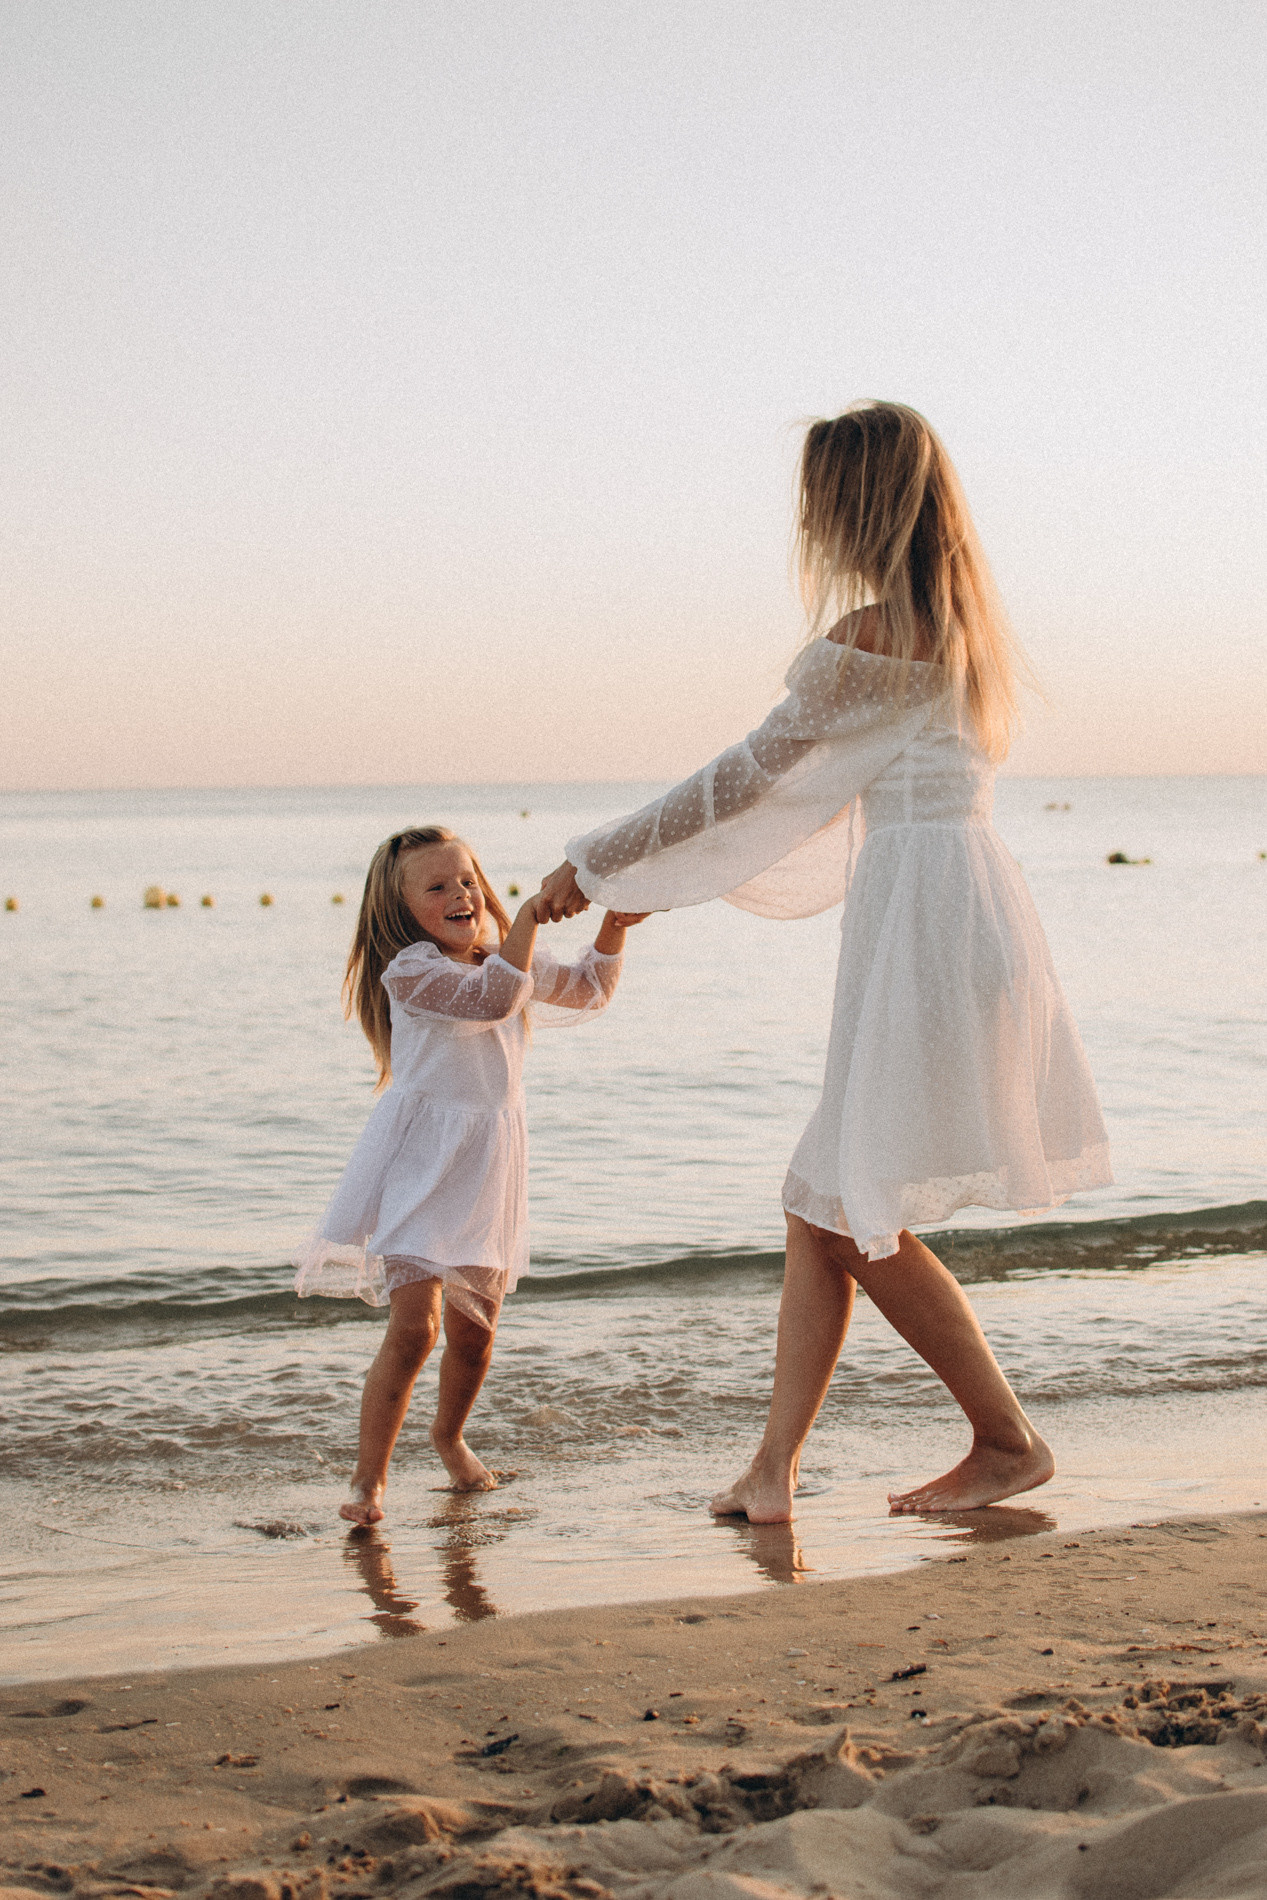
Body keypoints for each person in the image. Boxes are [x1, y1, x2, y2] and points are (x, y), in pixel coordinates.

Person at [537, 401, 1111, 1524]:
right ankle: (773, 1471)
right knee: (820, 1200)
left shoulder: (874, 640)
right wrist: (646, 877)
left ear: (855, 506)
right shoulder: (964, 634)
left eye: (819, 501)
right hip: (960, 916)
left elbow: (744, 778)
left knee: (847, 1206)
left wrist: (594, 864)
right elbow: (820, 796)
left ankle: (1004, 1440)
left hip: (925, 933)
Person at [296, 825, 642, 1525]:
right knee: (414, 1330)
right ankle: (368, 1481)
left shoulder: (498, 954)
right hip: (421, 1163)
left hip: (488, 1163)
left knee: (476, 1331)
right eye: (437, 886)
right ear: (399, 908)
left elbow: (589, 990)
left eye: (467, 880)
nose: (461, 894)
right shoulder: (411, 971)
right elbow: (491, 1000)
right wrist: (530, 916)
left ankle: (448, 1437)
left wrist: (614, 925)